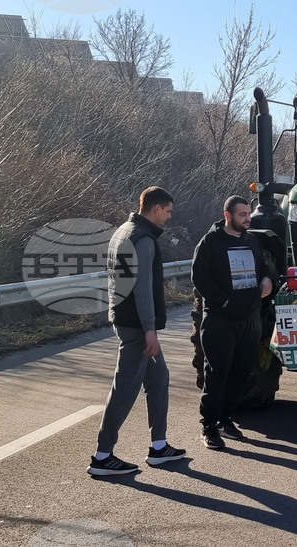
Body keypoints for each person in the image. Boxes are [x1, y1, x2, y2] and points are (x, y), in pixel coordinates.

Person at [88, 186, 185, 476]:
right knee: (124, 389)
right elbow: (142, 290)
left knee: (159, 378)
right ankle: (102, 456)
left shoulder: (123, 231)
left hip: (126, 319)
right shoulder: (143, 239)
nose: (168, 217)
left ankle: (159, 447)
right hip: (137, 326)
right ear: (156, 208)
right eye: (167, 211)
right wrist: (149, 331)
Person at [191, 195, 273, 450]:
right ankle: (209, 426)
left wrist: (268, 279)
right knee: (217, 373)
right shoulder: (211, 242)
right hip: (220, 320)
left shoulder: (251, 241)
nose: (247, 218)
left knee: (241, 372)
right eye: (242, 215)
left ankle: (226, 418)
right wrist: (224, 302)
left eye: (248, 214)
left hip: (249, 319)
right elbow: (199, 277)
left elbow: (262, 267)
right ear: (228, 216)